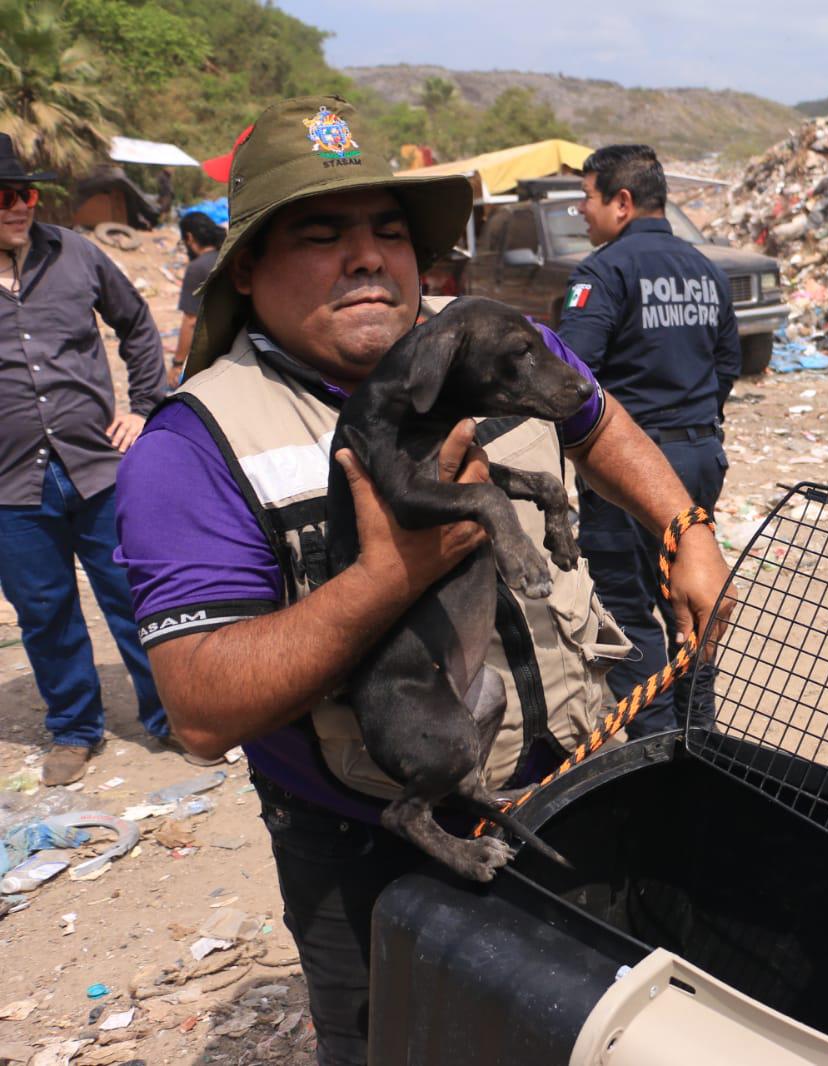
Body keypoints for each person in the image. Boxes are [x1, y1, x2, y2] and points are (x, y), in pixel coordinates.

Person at [113, 97, 733, 1066]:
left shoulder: (485, 342)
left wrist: (683, 524)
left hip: (575, 787)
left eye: (388, 231)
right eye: (322, 234)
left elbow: (596, 420)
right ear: (247, 269)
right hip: (376, 852)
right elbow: (196, 707)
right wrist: (390, 575)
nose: (368, 257)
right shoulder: (193, 446)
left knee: (591, 1034)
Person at [0, 132, 205, 787]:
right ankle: (74, 728)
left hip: (98, 466)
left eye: (25, 193)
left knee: (136, 596)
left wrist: (145, 405)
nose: (19, 207)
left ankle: (169, 715)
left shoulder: (77, 254)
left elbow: (139, 327)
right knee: (45, 611)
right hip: (10, 484)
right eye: (4, 197)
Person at [558, 144, 741, 736]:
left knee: (624, 606)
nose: (581, 212)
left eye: (587, 197)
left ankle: (657, 742)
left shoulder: (603, 273)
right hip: (698, 454)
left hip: (630, 467)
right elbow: (728, 365)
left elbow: (574, 375)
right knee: (688, 598)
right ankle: (699, 733)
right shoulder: (706, 269)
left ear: (623, 201)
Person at [170, 211, 225, 387]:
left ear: (189, 237)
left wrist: (177, 364)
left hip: (213, 356)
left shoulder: (197, 268)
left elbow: (191, 321)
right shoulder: (228, 255)